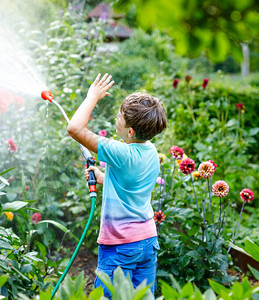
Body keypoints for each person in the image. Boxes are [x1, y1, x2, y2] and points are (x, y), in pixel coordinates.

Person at [67, 73, 167, 298]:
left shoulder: (121, 152)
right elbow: (132, 185)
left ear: (130, 131)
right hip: (147, 241)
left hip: (121, 244)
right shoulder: (150, 151)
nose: (116, 118)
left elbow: (74, 129)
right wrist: (103, 177)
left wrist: (92, 96)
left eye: (120, 117)